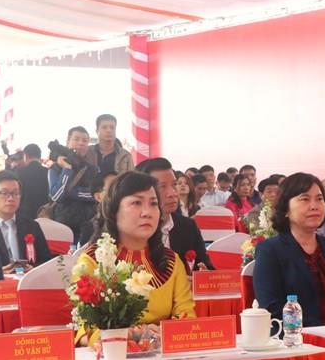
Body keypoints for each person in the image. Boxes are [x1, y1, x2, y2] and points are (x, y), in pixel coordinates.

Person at [78, 171, 195, 339]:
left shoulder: (171, 261)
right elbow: (84, 330)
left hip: (162, 349)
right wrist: (125, 336)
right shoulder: (93, 261)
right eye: (136, 203)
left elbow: (187, 317)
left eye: (153, 204)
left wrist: (160, 334)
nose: (147, 212)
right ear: (113, 211)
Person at [253, 173, 325, 326]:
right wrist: (321, 330)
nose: (314, 206)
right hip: (297, 336)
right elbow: (271, 307)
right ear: (285, 209)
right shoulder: (270, 250)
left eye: (319, 199)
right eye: (305, 199)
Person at [137, 158, 213, 271]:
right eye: (162, 187)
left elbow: (206, 266)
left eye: (174, 184)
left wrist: (203, 274)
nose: (172, 193)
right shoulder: (133, 231)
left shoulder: (188, 226)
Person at [0, 171, 53, 269]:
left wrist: (33, 269)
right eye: (4, 193)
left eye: (15, 193)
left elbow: (46, 261)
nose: (10, 198)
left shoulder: (32, 226)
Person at [48, 126, 99, 244]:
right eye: (76, 139)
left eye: (84, 141)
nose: (81, 143)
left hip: (88, 228)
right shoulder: (55, 169)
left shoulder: (93, 170)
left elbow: (97, 194)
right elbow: (56, 196)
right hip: (62, 227)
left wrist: (71, 193)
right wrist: (67, 169)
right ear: (68, 142)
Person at [15, 143, 51, 219]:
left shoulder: (20, 171)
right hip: (44, 212)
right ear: (39, 156)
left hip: (25, 213)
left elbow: (18, 192)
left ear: (26, 156)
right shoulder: (48, 171)